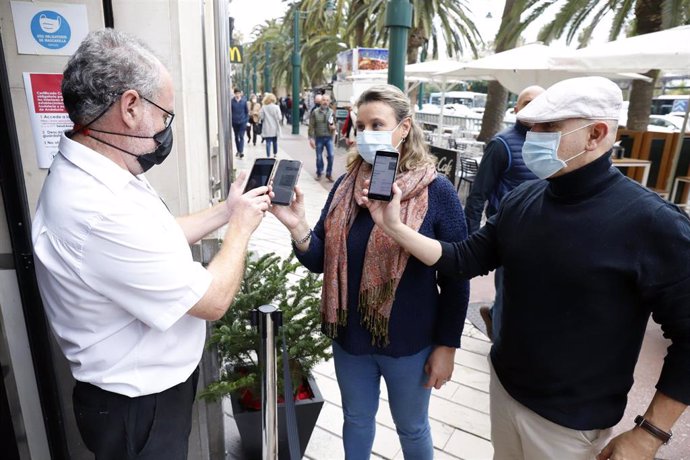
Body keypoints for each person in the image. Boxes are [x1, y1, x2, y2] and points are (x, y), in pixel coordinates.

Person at [362, 76, 690, 460]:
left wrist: (650, 433)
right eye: (531, 128)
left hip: (570, 424)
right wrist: (395, 227)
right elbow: (465, 259)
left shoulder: (653, 223)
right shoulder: (524, 197)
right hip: (504, 390)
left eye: (548, 128)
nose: (533, 138)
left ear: (596, 134)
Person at [31, 29, 271, 459]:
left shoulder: (102, 173)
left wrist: (226, 210)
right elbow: (213, 300)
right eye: (165, 116)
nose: (165, 130)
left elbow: (155, 241)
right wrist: (241, 229)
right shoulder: (98, 209)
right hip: (137, 411)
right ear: (130, 106)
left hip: (143, 398)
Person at [271, 84, 469, 459]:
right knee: (356, 419)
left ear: (405, 128)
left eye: (377, 123)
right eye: (359, 126)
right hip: (352, 340)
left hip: (411, 345)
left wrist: (447, 347)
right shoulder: (347, 187)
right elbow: (318, 260)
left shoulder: (437, 192)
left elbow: (456, 278)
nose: (365, 134)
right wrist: (297, 226)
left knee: (412, 429)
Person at [464, 85, 544, 341]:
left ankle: (498, 318)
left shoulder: (552, 143)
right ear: (516, 108)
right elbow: (478, 193)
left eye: (540, 102)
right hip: (509, 232)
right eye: (528, 101)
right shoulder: (501, 144)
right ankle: (501, 341)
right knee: (511, 286)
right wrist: (470, 241)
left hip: (543, 230)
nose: (533, 107)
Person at [308, 94, 336, 181]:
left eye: (327, 100)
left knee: (331, 155)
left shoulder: (331, 112)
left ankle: (329, 173)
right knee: (319, 157)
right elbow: (311, 126)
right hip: (319, 138)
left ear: (329, 102)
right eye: (324, 100)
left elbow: (334, 124)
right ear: (321, 101)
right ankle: (319, 172)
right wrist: (311, 138)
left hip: (328, 138)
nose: (325, 102)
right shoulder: (315, 112)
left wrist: (333, 127)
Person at [259, 92, 282, 158]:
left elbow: (261, 117)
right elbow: (279, 117)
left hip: (267, 127)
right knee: (275, 141)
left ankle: (268, 155)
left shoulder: (264, 107)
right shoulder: (276, 107)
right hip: (275, 127)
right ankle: (275, 153)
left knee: (268, 142)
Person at [231, 87, 248, 158]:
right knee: (236, 136)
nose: (237, 95)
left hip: (242, 122)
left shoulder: (244, 101)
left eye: (238, 93)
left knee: (241, 136)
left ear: (240, 94)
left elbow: (246, 112)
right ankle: (238, 150)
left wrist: (246, 120)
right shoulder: (231, 102)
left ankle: (241, 151)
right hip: (234, 121)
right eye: (236, 93)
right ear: (234, 94)